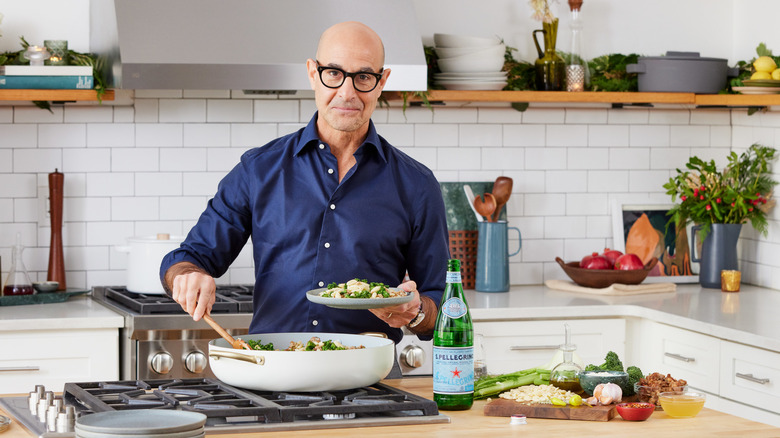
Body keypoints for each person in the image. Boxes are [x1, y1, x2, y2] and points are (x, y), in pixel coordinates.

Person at [159, 21, 450, 343]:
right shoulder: (259, 170)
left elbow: (441, 305)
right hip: (276, 366)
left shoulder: (417, 184)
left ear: (382, 82)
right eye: (334, 73)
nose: (347, 92)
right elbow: (191, 257)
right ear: (313, 73)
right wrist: (188, 276)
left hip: (371, 373)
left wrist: (418, 312)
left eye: (364, 77)